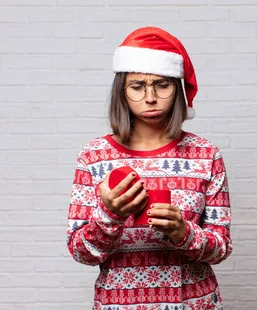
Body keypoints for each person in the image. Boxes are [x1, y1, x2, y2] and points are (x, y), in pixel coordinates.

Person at [66, 26, 232, 310]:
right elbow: (82, 253)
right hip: (118, 304)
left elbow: (221, 248)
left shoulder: (206, 154)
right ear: (123, 91)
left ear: (176, 89)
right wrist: (110, 215)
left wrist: (183, 232)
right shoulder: (94, 156)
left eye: (162, 85)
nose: (151, 97)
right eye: (138, 86)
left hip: (192, 303)